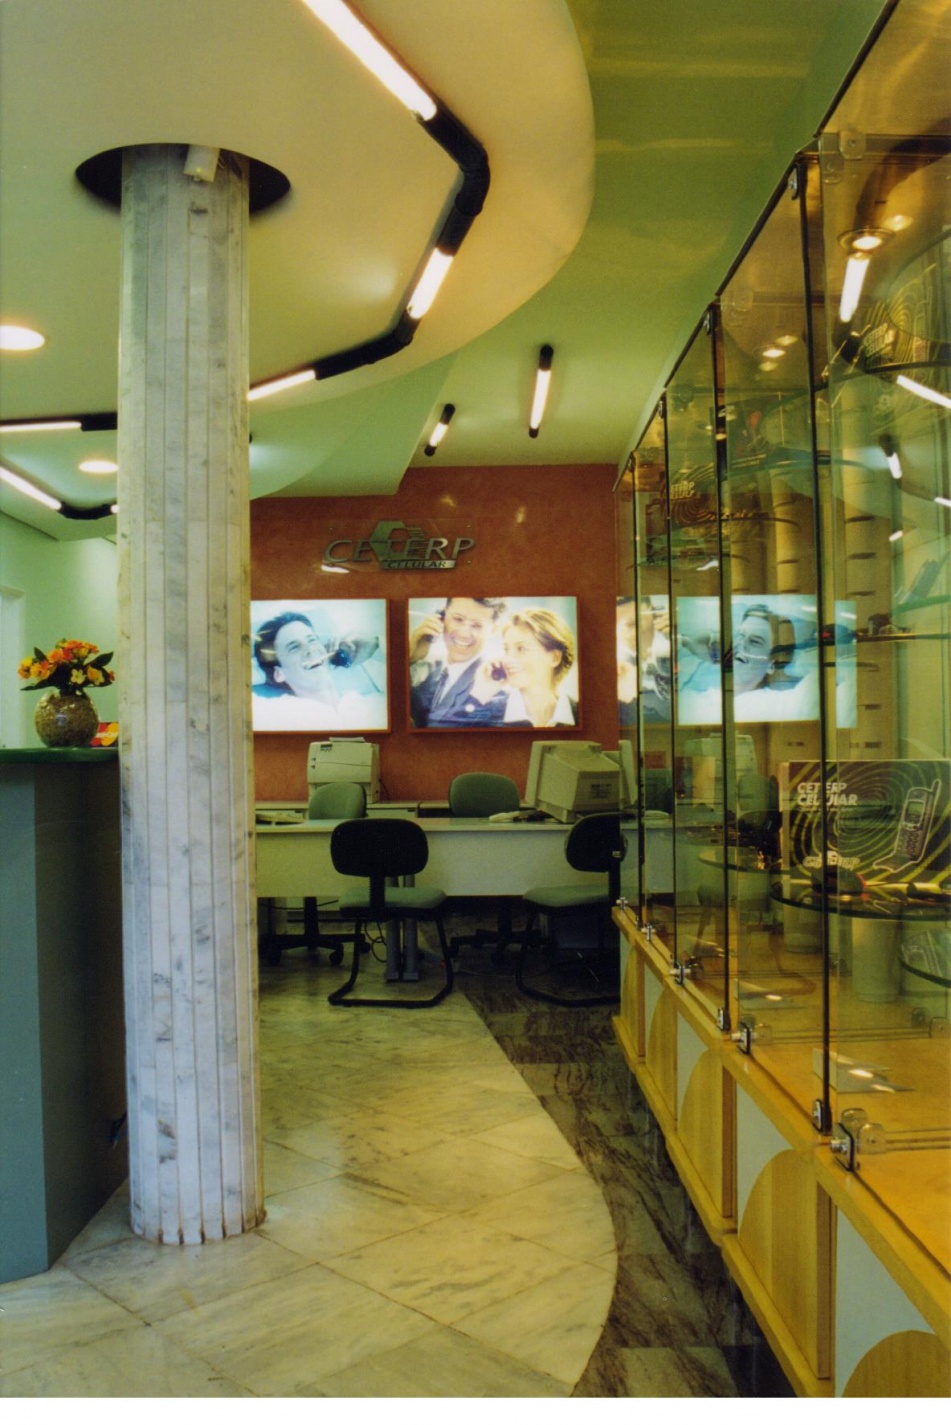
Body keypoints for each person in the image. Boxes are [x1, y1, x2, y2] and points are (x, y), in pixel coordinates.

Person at [252, 610, 384, 730]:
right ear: (279, 673)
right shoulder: (274, 715)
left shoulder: (373, 705)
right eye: (294, 647)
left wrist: (375, 645)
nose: (311, 649)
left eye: (312, 640)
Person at [408, 597, 508, 727]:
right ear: (442, 617)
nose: (464, 634)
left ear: (493, 630)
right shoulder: (424, 669)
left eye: (477, 625)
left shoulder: (495, 687)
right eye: (458, 619)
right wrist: (408, 658)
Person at [477, 606, 577, 728]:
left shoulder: (581, 714)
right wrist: (480, 694)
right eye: (506, 650)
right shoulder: (487, 715)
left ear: (555, 658)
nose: (507, 659)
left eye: (521, 649)